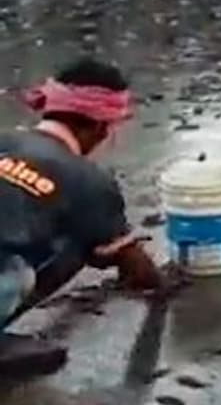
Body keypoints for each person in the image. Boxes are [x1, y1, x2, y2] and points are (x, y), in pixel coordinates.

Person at [1, 60, 165, 373]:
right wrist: (157, 285)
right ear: (100, 126)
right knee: (80, 243)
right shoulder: (89, 181)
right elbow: (135, 265)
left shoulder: (4, 140)